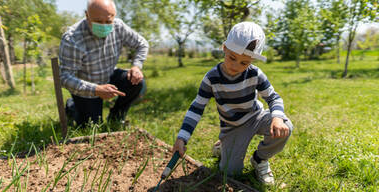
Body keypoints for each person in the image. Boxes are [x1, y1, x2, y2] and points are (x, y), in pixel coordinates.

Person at [172, 22, 293, 185]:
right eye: (232, 58)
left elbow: (274, 97)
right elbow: (196, 108)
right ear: (224, 48)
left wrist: (277, 117)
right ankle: (223, 146)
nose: (236, 66)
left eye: (244, 63)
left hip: (256, 117)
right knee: (231, 173)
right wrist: (182, 138)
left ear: (252, 60)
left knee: (286, 126)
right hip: (233, 127)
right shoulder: (211, 78)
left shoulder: (255, 74)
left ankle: (260, 160)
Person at [59, 0, 149, 127]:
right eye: (98, 21)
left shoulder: (118, 26)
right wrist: (96, 89)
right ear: (87, 15)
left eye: (108, 21)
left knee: (136, 82)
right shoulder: (72, 38)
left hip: (109, 75)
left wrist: (136, 66)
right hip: (86, 85)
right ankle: (72, 107)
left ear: (114, 17)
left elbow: (142, 44)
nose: (104, 26)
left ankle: (116, 117)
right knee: (92, 126)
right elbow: (64, 77)